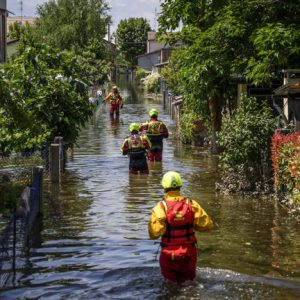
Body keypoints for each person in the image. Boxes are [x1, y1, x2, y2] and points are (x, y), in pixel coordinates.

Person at [148, 171, 213, 283]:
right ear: (180, 185)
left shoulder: (160, 207)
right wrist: (190, 225)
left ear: (164, 186)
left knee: (169, 285)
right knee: (189, 283)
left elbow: (154, 234)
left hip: (168, 254)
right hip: (188, 252)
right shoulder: (192, 204)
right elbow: (207, 225)